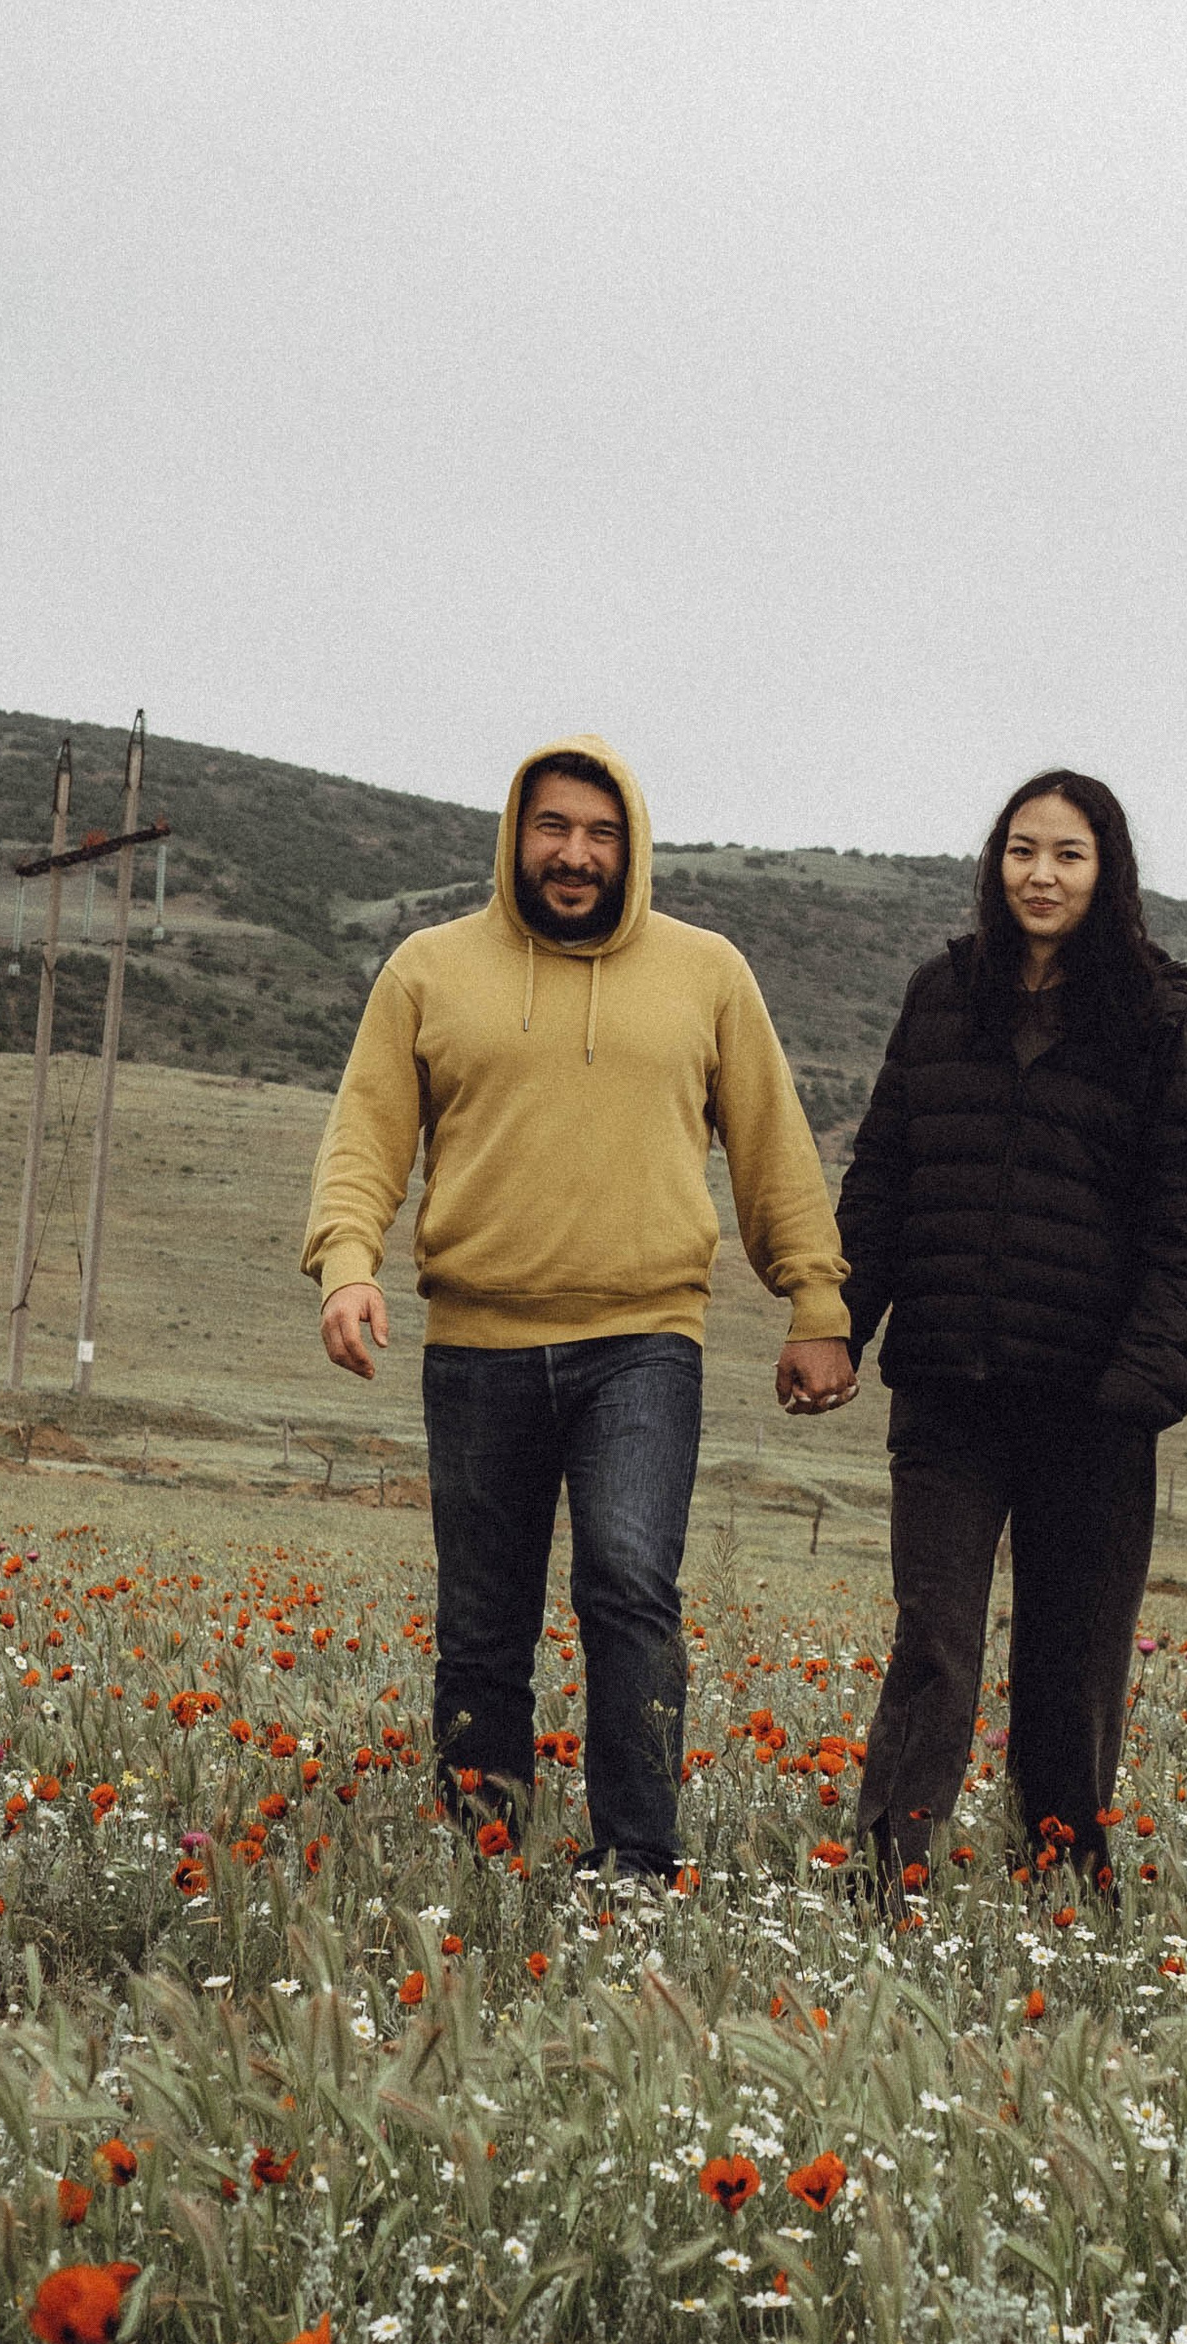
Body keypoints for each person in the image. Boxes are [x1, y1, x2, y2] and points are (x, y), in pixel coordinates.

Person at [302, 737, 855, 1884]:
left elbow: (770, 1147)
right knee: (482, 1622)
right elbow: (366, 1137)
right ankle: (480, 1855)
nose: (574, 853)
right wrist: (347, 1260)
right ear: (517, 832)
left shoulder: (706, 972)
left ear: (632, 846)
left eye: (601, 834)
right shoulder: (427, 968)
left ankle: (638, 1862)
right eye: (553, 827)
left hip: (643, 1341)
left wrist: (814, 1296)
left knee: (627, 1584)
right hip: (475, 1342)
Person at [837, 769, 1187, 1898]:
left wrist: (1136, 1394)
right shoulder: (942, 994)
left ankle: (1060, 1886)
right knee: (934, 1648)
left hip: (1092, 1411)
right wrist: (839, 1325)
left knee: (1070, 1671)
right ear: (993, 863)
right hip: (949, 1393)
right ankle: (882, 1877)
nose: (1040, 875)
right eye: (1021, 850)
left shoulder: (1157, 1021)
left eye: (1066, 854)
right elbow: (882, 1177)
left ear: (1106, 871)